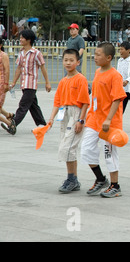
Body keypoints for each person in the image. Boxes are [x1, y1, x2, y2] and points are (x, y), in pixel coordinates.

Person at [80, 42, 127, 198]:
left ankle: (115, 186)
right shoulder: (98, 72)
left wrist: (108, 119)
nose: (95, 57)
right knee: (86, 149)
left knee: (109, 154)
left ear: (108, 57)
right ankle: (100, 179)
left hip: (109, 122)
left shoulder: (115, 75)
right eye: (95, 54)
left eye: (98, 54)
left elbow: (117, 99)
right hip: (94, 119)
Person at [47, 49, 90, 193]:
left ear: (78, 62)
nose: (68, 63)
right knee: (67, 146)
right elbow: (57, 101)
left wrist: (81, 120)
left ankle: (72, 179)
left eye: (71, 60)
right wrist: (51, 118)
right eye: (66, 60)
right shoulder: (63, 80)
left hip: (75, 113)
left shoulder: (81, 79)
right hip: (64, 113)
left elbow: (85, 102)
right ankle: (73, 179)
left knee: (67, 147)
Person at [8, 30, 51, 132]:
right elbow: (19, 68)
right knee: (33, 105)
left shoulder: (36, 53)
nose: (20, 39)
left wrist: (47, 82)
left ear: (29, 40)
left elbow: (43, 68)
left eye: (22, 38)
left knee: (23, 105)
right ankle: (42, 124)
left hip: (31, 84)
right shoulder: (21, 53)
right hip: (24, 83)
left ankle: (13, 123)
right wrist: (14, 82)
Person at [0, 43, 16, 134]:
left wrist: (6, 84)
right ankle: (8, 115)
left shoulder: (3, 55)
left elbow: (7, 70)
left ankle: (9, 124)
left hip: (1, 83)